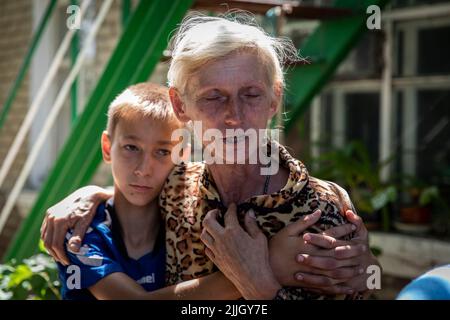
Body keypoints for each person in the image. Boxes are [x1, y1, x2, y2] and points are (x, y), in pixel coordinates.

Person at [42, 13, 380, 300]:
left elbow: (366, 281)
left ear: (274, 99)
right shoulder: (174, 188)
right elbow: (133, 186)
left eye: (251, 94)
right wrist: (86, 195)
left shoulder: (321, 210)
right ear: (180, 105)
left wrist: (262, 284)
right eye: (213, 97)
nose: (234, 116)